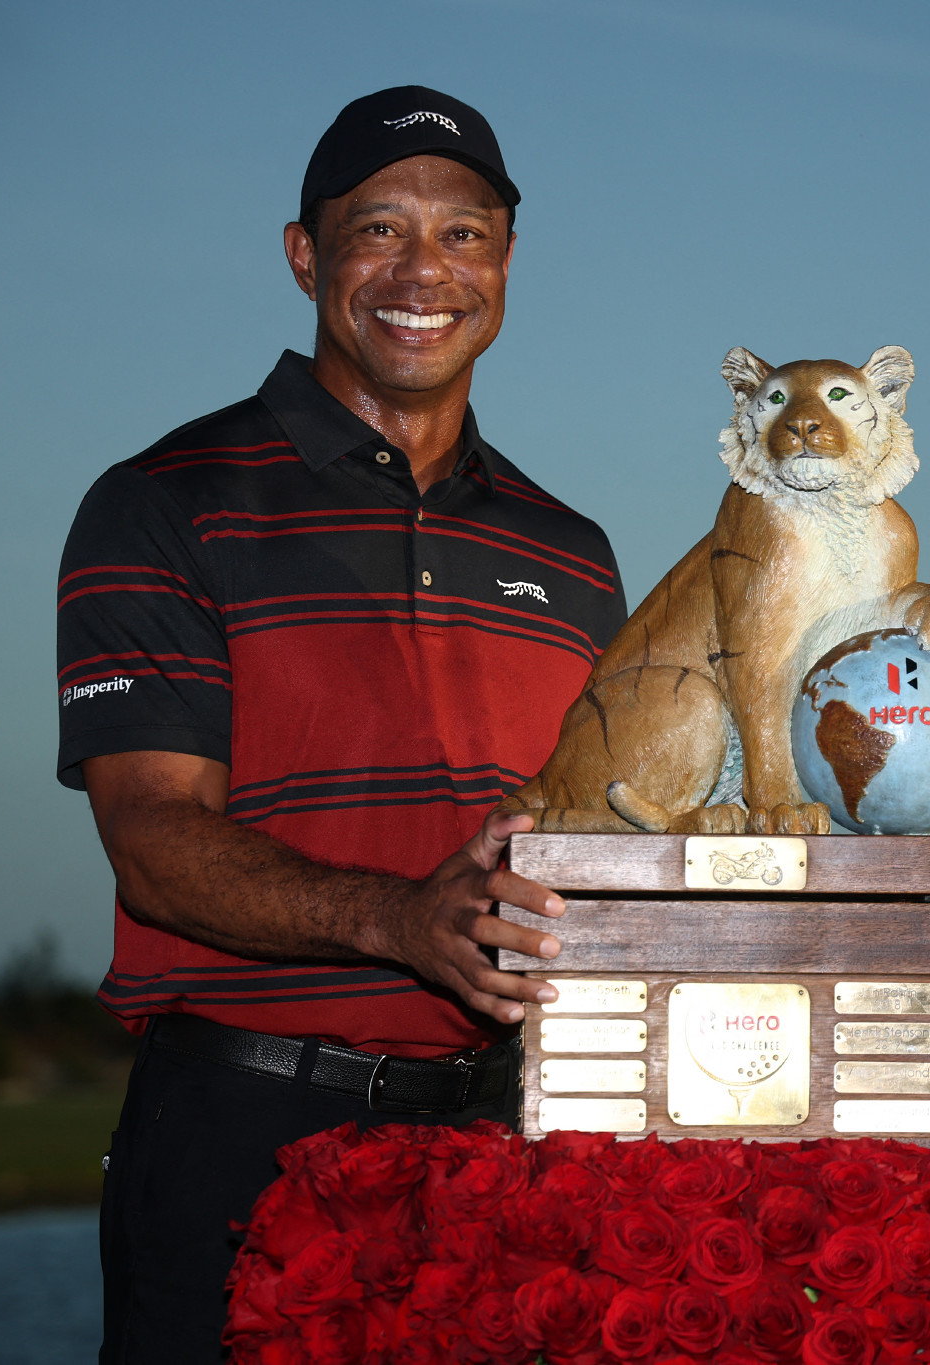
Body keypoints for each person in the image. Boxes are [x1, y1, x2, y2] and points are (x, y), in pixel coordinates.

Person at [56, 87, 625, 1363]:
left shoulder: (571, 552)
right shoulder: (162, 502)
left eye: (464, 234)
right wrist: (398, 920)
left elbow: (613, 841)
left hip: (507, 1142)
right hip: (244, 1135)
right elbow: (152, 842)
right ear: (305, 256)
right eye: (378, 230)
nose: (424, 271)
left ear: (506, 264)